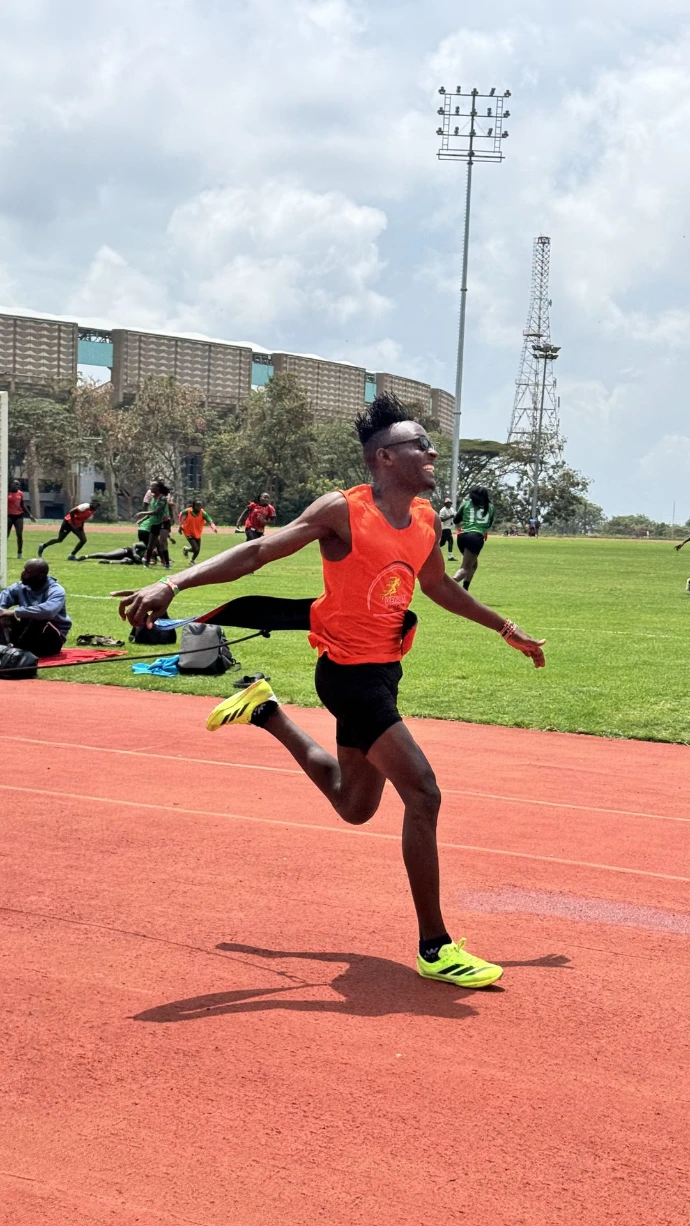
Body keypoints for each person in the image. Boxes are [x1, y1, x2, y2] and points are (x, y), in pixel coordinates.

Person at [115, 393, 545, 990]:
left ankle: (266, 711)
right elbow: (260, 550)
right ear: (384, 457)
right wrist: (173, 581)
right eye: (420, 445)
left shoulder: (425, 520)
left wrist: (505, 628)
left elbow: (439, 587)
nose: (431, 453)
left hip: (384, 671)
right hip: (349, 676)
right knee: (423, 793)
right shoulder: (344, 510)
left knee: (354, 805)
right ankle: (436, 947)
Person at [0, 558, 71, 656]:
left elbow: (48, 611)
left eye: (27, 572)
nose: (23, 573)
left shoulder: (56, 590)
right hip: (25, 633)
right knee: (3, 615)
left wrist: (14, 612)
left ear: (40, 575)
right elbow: (3, 598)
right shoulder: (20, 587)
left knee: (38, 618)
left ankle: (17, 650)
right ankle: (6, 648)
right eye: (24, 569)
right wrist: (3, 614)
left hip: (50, 638)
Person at [452, 486, 495, 590]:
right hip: (476, 537)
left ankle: (464, 590)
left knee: (473, 565)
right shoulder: (490, 507)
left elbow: (456, 520)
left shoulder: (466, 504)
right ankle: (449, 586)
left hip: (462, 536)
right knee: (465, 568)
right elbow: (488, 524)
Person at [136, 481, 171, 567]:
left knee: (162, 543)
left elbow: (156, 511)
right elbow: (151, 513)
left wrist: (142, 513)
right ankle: (147, 562)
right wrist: (142, 520)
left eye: (152, 486)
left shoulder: (162, 498)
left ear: (158, 488)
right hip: (155, 522)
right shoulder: (152, 498)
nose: (150, 488)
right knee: (151, 544)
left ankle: (167, 563)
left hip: (164, 522)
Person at [179, 499, 218, 564]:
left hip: (197, 533)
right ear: (193, 506)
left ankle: (188, 553)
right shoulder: (187, 511)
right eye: (197, 505)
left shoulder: (203, 513)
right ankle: (191, 558)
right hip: (188, 532)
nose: (199, 507)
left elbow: (210, 521)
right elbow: (181, 514)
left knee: (197, 549)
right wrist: (180, 526)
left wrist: (213, 528)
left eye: (200, 505)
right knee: (195, 548)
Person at [7, 480, 36, 560]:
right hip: (9, 516)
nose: (17, 486)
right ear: (12, 484)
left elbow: (23, 505)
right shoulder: (7, 493)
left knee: (19, 534)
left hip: (18, 516)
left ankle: (19, 552)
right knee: (6, 535)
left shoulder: (20, 494)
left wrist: (30, 515)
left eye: (18, 485)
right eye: (16, 484)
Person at [80, 542, 147, 565]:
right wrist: (134, 554)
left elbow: (150, 562)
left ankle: (109, 562)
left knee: (128, 562)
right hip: (127, 551)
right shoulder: (147, 546)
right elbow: (134, 544)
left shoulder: (152, 554)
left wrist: (141, 561)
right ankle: (86, 556)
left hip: (132, 559)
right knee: (108, 555)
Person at [438, 496, 456, 561]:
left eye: (450, 503)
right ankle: (450, 556)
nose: (449, 504)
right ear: (445, 504)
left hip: (449, 527)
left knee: (442, 543)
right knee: (450, 540)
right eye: (448, 503)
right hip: (444, 528)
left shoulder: (452, 509)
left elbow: (455, 514)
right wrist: (449, 517)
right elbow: (441, 519)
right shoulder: (442, 510)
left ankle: (432, 550)